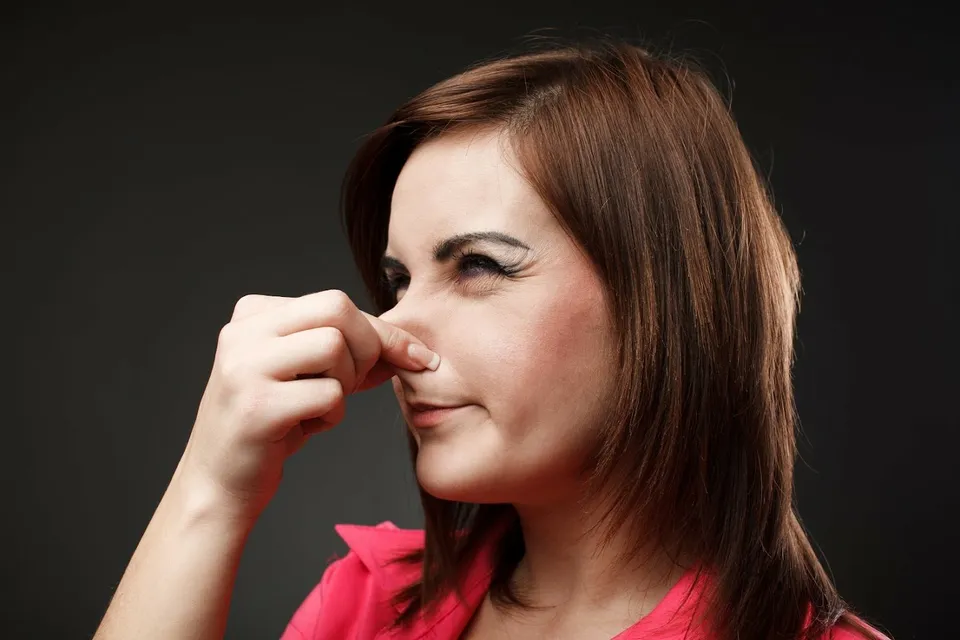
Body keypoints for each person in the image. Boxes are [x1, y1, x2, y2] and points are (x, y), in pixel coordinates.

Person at [93, 38, 892, 640]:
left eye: (477, 264)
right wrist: (212, 491)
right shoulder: (370, 605)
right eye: (398, 281)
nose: (392, 327)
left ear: (669, 300)